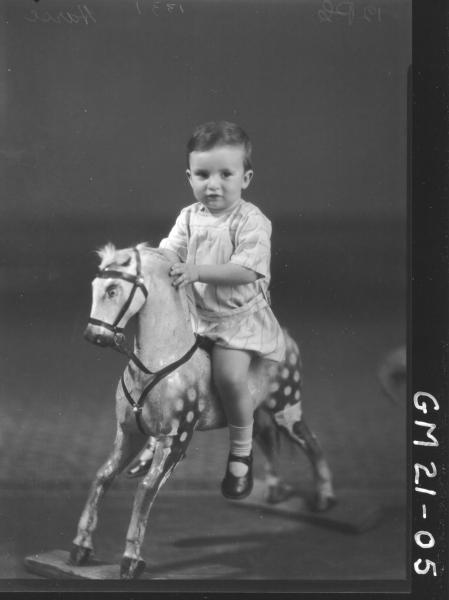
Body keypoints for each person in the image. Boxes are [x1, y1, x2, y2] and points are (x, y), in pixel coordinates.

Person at [133, 121, 286, 499]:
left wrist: (197, 270)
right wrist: (144, 259)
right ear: (189, 176)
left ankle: (241, 451)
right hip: (198, 317)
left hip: (237, 320)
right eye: (202, 174)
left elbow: (246, 270)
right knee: (163, 369)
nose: (212, 184)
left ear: (246, 177)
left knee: (229, 376)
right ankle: (159, 437)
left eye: (225, 174)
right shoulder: (189, 216)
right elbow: (171, 251)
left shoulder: (251, 221)